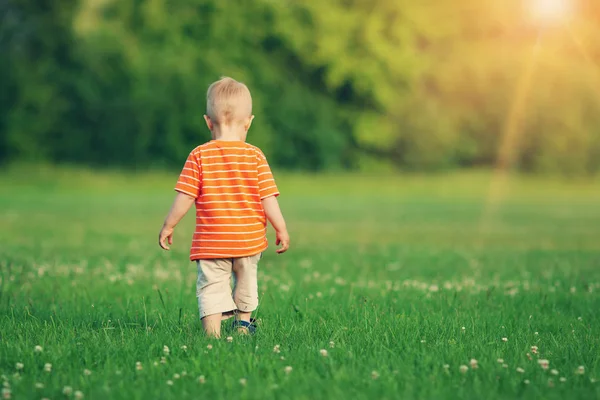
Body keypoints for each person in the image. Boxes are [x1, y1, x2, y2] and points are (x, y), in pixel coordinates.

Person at [158, 77, 290, 337]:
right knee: (246, 280)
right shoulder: (255, 156)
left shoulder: (198, 155)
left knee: (212, 286)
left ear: (208, 122)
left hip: (212, 241)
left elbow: (185, 196)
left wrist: (168, 225)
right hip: (247, 240)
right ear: (249, 122)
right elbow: (268, 198)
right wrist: (281, 228)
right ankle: (242, 325)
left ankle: (212, 334)